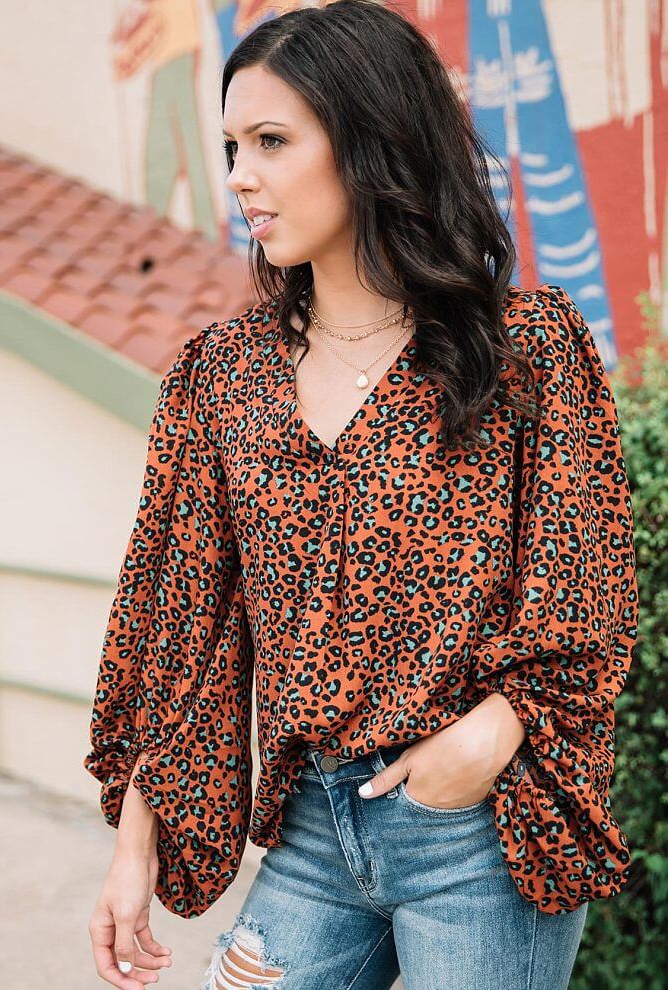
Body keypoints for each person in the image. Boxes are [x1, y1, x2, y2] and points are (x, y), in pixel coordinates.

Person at [83, 2, 640, 988]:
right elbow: (180, 631)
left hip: (472, 830)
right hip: (308, 837)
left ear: (370, 141)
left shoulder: (524, 349)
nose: (239, 175)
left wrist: (489, 734)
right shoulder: (220, 376)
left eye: (269, 140)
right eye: (229, 145)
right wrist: (134, 849)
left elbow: (580, 581)